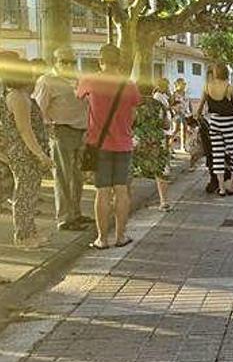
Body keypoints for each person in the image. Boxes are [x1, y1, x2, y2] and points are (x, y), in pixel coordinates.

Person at [76, 44, 141, 249]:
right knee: (121, 191)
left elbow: (78, 95)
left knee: (102, 192)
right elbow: (135, 111)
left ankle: (101, 239)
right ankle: (120, 236)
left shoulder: (90, 80)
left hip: (98, 144)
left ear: (100, 60)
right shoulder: (129, 85)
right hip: (123, 143)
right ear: (119, 61)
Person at [33, 46, 90, 231]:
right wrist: (48, 129)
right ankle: (65, 218)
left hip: (81, 132)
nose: (68, 65)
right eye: (63, 61)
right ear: (55, 62)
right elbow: (38, 110)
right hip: (61, 131)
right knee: (63, 176)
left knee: (77, 176)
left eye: (71, 61)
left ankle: (76, 213)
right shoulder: (47, 81)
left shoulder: (78, 79)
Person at [0, 51, 53, 248]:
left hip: (24, 151)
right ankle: (23, 236)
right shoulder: (18, 98)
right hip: (24, 152)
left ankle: (29, 231)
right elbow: (25, 130)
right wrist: (40, 154)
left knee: (30, 192)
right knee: (25, 193)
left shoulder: (18, 95)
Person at [196, 64, 233, 196]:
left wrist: (199, 117)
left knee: (218, 156)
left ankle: (221, 188)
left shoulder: (207, 86)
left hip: (215, 123)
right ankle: (232, 185)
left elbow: (200, 107)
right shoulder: (229, 87)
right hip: (229, 123)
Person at [132, 80, 173, 212]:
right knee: (161, 170)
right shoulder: (159, 105)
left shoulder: (134, 105)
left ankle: (126, 200)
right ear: (152, 90)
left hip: (138, 140)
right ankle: (164, 201)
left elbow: (130, 122)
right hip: (157, 141)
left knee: (131, 170)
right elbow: (166, 124)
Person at [170, 78, 193, 156]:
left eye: (184, 84)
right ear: (178, 84)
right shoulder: (174, 94)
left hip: (185, 113)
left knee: (184, 129)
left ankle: (183, 147)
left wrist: (191, 112)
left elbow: (189, 103)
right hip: (177, 114)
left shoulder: (186, 93)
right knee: (176, 130)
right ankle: (170, 146)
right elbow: (171, 104)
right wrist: (175, 109)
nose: (184, 86)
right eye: (182, 84)